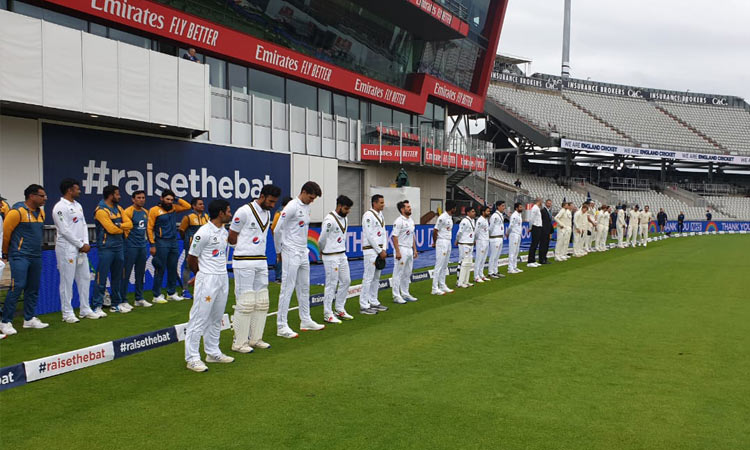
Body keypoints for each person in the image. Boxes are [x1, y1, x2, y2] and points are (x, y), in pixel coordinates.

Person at [184, 199, 235, 372]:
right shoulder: (203, 232)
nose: (230, 213)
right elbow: (191, 257)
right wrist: (199, 274)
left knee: (216, 317)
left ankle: (212, 352)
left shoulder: (223, 231)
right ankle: (192, 358)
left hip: (222, 278)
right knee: (199, 318)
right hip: (207, 280)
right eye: (228, 211)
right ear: (220, 213)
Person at [229, 184, 281, 353]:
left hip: (261, 260)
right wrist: (244, 249)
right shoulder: (244, 211)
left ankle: (255, 338)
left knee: (262, 302)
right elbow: (231, 236)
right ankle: (238, 342)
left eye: (275, 202)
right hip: (244, 261)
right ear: (262, 195)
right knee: (245, 302)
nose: (272, 205)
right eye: (271, 201)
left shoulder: (267, 213)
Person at [274, 181, 324, 338]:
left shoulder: (307, 207)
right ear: (303, 192)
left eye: (314, 198)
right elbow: (277, 230)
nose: (312, 200)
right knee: (287, 288)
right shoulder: (291, 207)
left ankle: (306, 320)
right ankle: (281, 326)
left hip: (303, 251)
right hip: (290, 251)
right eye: (310, 197)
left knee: (304, 287)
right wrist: (279, 251)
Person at [1, 185, 49, 335]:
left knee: (33, 287)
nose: (45, 198)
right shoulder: (16, 212)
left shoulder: (41, 212)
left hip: (36, 255)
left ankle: (29, 319)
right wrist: (5, 252)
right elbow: (6, 234)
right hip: (19, 255)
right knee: (18, 285)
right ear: (32, 196)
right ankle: (5, 321)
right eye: (42, 196)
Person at [53, 179, 96, 323]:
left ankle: (85, 309)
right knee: (67, 281)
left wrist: (85, 243)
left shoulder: (78, 205)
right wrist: (79, 243)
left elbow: (83, 225)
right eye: (77, 189)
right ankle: (67, 313)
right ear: (69, 190)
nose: (79, 191)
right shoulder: (59, 207)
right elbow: (64, 230)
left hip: (81, 248)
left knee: (84, 278)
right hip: (67, 248)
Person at [93, 185, 133, 315]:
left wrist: (119, 225)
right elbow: (110, 229)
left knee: (117, 277)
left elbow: (130, 224)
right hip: (106, 248)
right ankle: (97, 306)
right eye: (117, 194)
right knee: (102, 277)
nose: (119, 196)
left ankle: (116, 304)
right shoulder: (101, 211)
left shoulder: (119, 208)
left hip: (119, 246)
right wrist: (122, 227)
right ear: (110, 195)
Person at [148, 190, 191, 303]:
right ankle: (156, 295)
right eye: (167, 199)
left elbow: (187, 206)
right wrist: (152, 244)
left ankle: (171, 293)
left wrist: (176, 198)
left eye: (171, 200)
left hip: (173, 241)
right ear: (161, 198)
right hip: (161, 242)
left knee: (173, 267)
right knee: (160, 267)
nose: (169, 202)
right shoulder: (154, 210)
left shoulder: (174, 208)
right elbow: (149, 228)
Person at [318, 195, 354, 323]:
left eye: (349, 209)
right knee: (331, 284)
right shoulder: (329, 220)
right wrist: (322, 250)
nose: (348, 211)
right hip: (330, 255)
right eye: (346, 208)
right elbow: (322, 238)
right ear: (339, 206)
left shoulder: (345, 218)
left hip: (342, 254)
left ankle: (339, 308)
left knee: (346, 281)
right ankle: (327, 313)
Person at [121, 190, 152, 308]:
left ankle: (139, 298)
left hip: (142, 246)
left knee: (140, 273)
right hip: (130, 246)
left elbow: (147, 229)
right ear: (133, 199)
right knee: (126, 274)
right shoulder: (128, 212)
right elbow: (124, 229)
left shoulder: (145, 212)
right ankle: (123, 300)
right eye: (138, 198)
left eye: (143, 197)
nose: (141, 200)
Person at [360, 195, 389, 315]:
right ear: (374, 203)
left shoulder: (381, 215)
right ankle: (364, 304)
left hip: (379, 250)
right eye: (381, 203)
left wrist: (384, 249)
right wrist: (379, 250)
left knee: (376, 277)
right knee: (368, 277)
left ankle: (373, 301)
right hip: (370, 250)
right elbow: (369, 235)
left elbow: (383, 233)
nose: (383, 204)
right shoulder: (368, 215)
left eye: (383, 202)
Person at [179, 198, 209, 300]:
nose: (202, 206)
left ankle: (202, 288)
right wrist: (188, 239)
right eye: (200, 204)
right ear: (193, 206)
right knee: (188, 266)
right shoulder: (188, 217)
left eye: (203, 204)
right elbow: (181, 230)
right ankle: (185, 290)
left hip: (204, 246)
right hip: (192, 245)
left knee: (203, 266)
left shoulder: (206, 217)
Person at [391, 200, 418, 303]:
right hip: (401, 248)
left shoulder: (411, 220)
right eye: (407, 207)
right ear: (402, 209)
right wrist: (397, 251)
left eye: (410, 206)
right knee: (398, 272)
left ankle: (405, 293)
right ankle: (396, 295)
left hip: (409, 249)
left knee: (407, 272)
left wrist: (415, 249)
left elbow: (412, 236)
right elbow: (395, 237)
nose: (410, 208)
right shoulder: (398, 221)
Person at [431, 201, 456, 295]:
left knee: (445, 265)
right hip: (442, 241)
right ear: (452, 208)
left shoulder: (449, 217)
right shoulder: (442, 217)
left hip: (448, 241)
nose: (455, 210)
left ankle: (442, 285)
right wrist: (435, 242)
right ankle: (434, 288)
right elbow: (435, 230)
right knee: (439, 265)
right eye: (455, 208)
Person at [270, 197, 292, 283]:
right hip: (281, 238)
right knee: (280, 258)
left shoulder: (283, 213)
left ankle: (282, 276)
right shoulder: (280, 214)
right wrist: (276, 238)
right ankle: (278, 277)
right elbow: (273, 227)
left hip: (284, 238)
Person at [455, 206, 476, 287]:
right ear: (468, 213)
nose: (474, 213)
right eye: (472, 211)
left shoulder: (473, 221)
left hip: (470, 243)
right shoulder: (464, 221)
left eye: (474, 211)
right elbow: (459, 232)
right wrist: (457, 240)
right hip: (464, 244)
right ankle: (459, 281)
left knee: (469, 263)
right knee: (462, 262)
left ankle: (466, 281)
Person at [487, 201, 506, 278]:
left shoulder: (501, 215)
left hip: (500, 237)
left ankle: (495, 271)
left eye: (504, 206)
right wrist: (490, 235)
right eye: (502, 206)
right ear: (498, 207)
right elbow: (491, 227)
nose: (504, 207)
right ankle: (490, 272)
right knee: (493, 256)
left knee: (497, 256)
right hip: (495, 238)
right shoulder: (494, 216)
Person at [474, 205, 491, 283]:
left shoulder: (486, 220)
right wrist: (476, 239)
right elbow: (476, 231)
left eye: (489, 211)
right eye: (487, 211)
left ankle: (481, 274)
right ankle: (476, 276)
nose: (489, 212)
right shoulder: (480, 220)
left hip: (486, 240)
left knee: (483, 258)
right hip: (481, 241)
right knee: (479, 258)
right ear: (483, 212)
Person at [507, 203, 524, 273]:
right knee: (512, 251)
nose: (521, 208)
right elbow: (511, 225)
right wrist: (508, 233)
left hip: (518, 234)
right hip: (514, 234)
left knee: (516, 251)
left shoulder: (519, 215)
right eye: (520, 207)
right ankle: (510, 268)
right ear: (516, 208)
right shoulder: (514, 215)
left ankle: (514, 266)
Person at [527, 198, 543, 268]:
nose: (542, 202)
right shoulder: (534, 208)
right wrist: (530, 227)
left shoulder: (537, 208)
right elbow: (531, 218)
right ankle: (530, 261)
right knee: (534, 244)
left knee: (536, 244)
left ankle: (533, 260)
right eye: (541, 201)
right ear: (538, 201)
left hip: (538, 226)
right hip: (535, 226)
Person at [539, 199, 553, 264]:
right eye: (548, 203)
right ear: (545, 203)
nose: (549, 204)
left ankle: (545, 258)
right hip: (543, 231)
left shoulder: (549, 211)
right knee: (543, 245)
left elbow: (550, 222)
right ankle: (541, 259)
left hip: (548, 231)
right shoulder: (543, 211)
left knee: (546, 246)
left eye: (550, 203)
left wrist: (550, 232)